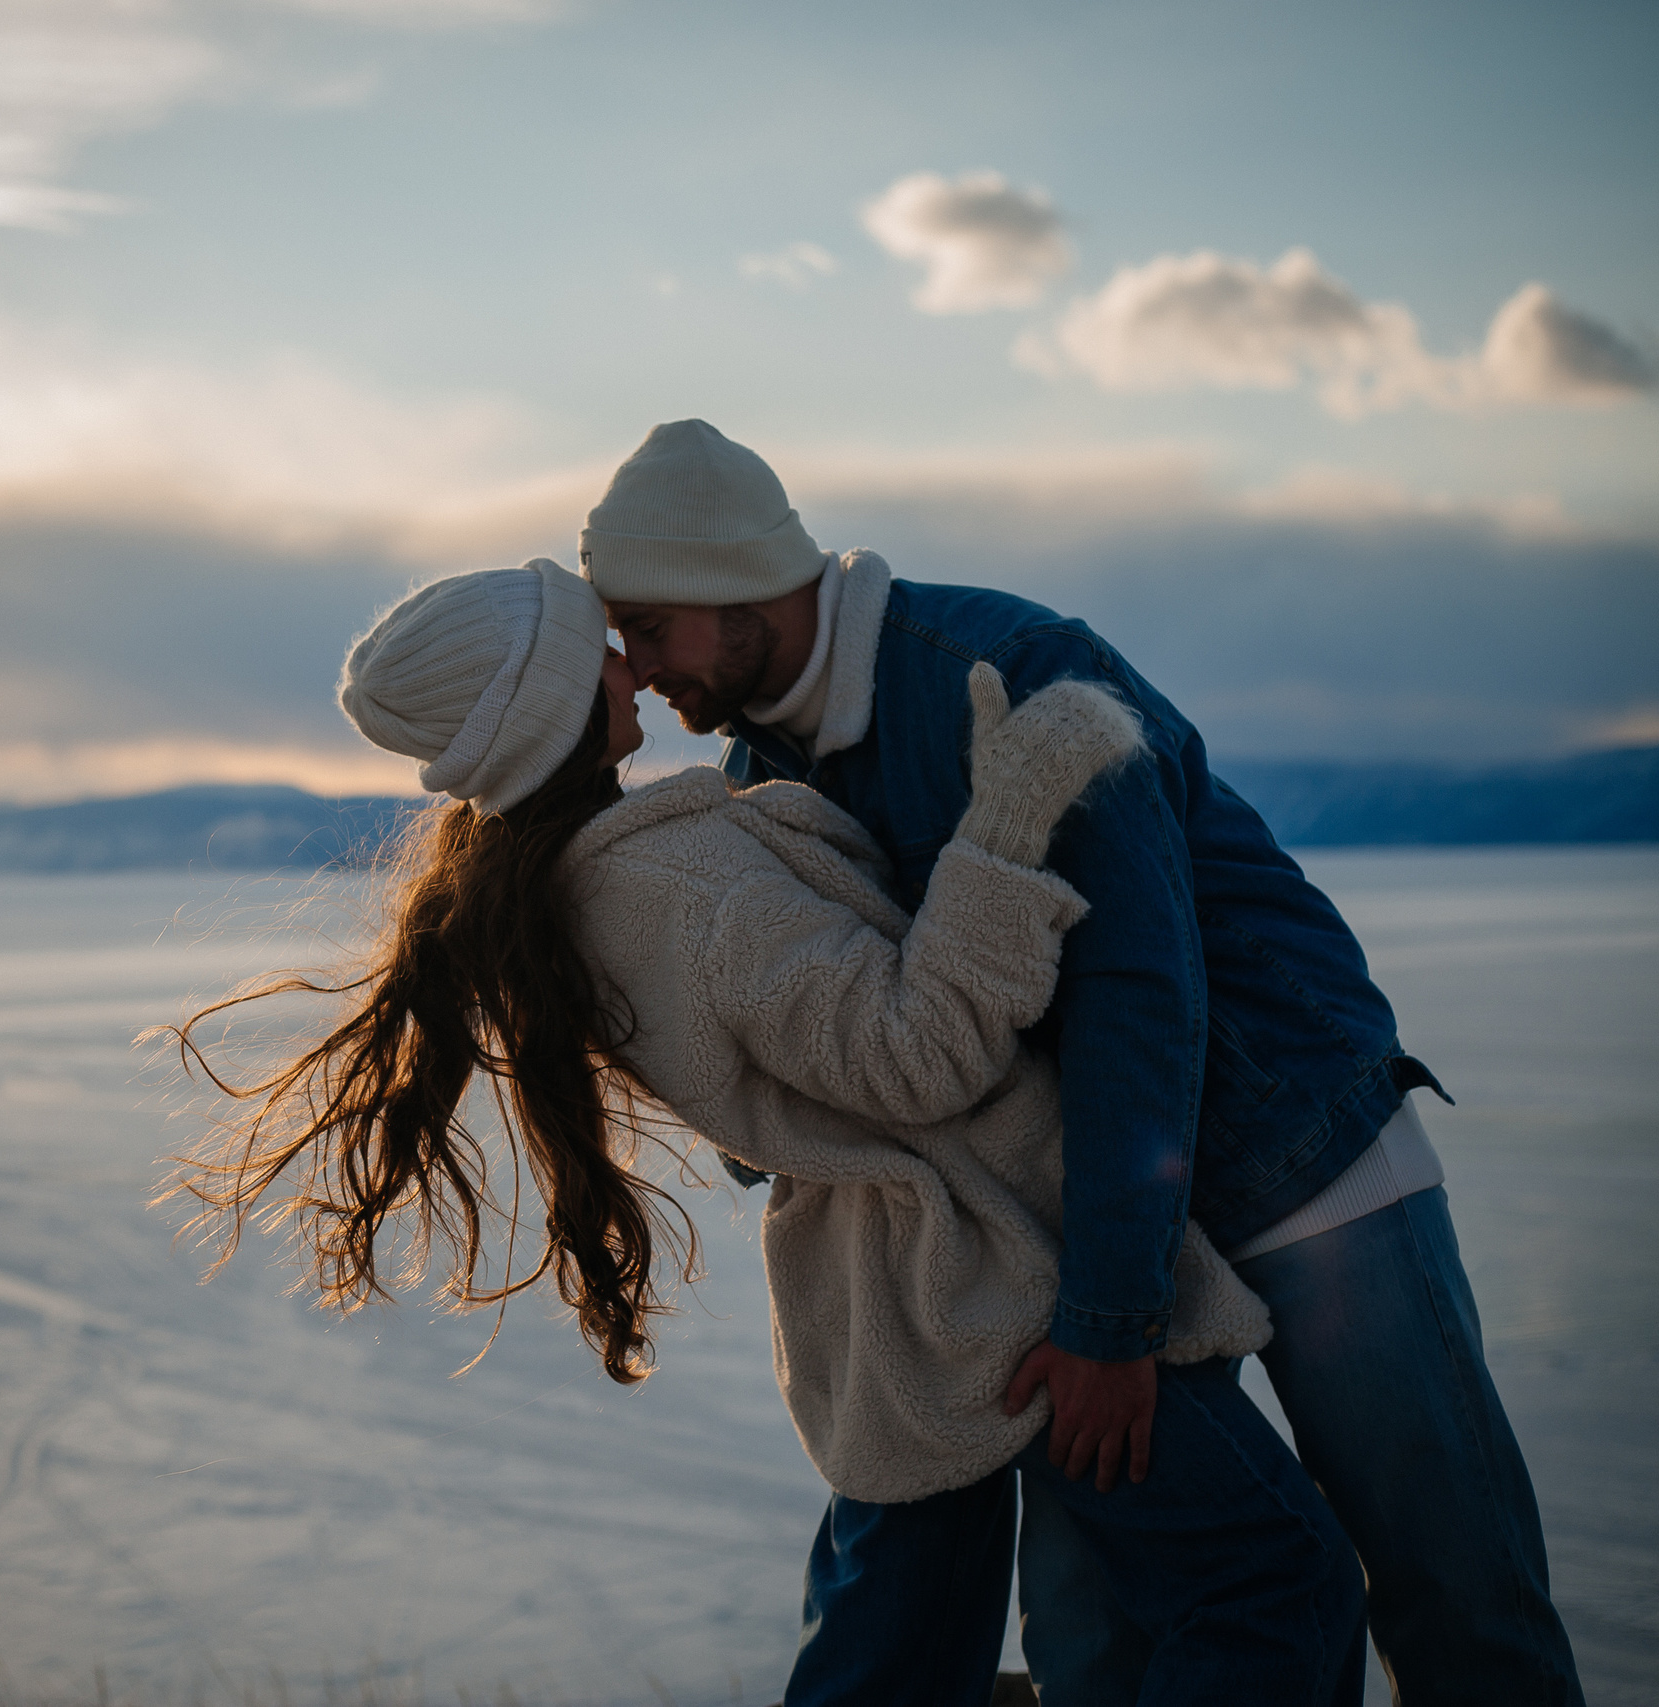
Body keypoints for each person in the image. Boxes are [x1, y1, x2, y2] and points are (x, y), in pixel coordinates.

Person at [169, 560, 1367, 1705]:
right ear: (543, 702)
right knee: (1274, 1588)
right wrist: (1003, 830)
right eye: (598, 655)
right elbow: (916, 1057)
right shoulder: (677, 891)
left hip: (897, 1314)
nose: (632, 669)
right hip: (990, 1285)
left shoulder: (598, 877)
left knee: (899, 1664)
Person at [580, 419, 1585, 1705]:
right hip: (1091, 1223)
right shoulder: (756, 776)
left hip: (1295, 1161)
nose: (636, 664)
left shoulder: (1006, 671)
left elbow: (1136, 989)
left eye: (648, 625)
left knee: (1452, 1582)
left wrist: (1109, 1323)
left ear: (731, 586)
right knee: (1091, 1639)